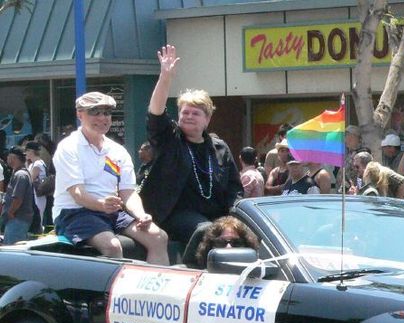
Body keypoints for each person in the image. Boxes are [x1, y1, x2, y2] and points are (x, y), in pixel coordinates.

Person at [142, 45, 243, 266]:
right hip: (174, 216)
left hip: (216, 214)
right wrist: (165, 77)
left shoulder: (219, 147)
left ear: (207, 119)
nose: (188, 116)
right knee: (207, 231)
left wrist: (238, 215)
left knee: (244, 230)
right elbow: (155, 113)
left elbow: (234, 189)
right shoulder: (170, 139)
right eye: (184, 112)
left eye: (195, 113)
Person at [53, 92, 169, 264]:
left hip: (111, 212)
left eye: (107, 113)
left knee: (158, 237)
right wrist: (101, 205)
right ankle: (116, 291)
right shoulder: (68, 147)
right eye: (95, 112)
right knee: (113, 246)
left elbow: (128, 192)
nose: (102, 118)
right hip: (75, 213)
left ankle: (155, 288)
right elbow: (77, 193)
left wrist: (141, 214)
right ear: (79, 114)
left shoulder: (117, 150)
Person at [195, 216, 260, 269]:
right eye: (220, 243)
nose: (229, 247)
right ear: (209, 247)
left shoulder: (257, 277)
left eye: (236, 243)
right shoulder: (202, 277)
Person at [1, 147, 34, 244]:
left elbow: (18, 198)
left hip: (17, 219)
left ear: (13, 158)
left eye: (8, 156)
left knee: (12, 249)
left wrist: (11, 212)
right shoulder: (18, 173)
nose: (7, 158)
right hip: (16, 219)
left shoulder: (21, 175)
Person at [24, 141, 48, 228]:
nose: (25, 153)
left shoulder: (37, 164)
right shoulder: (33, 164)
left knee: (38, 218)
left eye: (26, 151)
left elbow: (30, 179)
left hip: (38, 195)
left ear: (31, 151)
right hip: (35, 195)